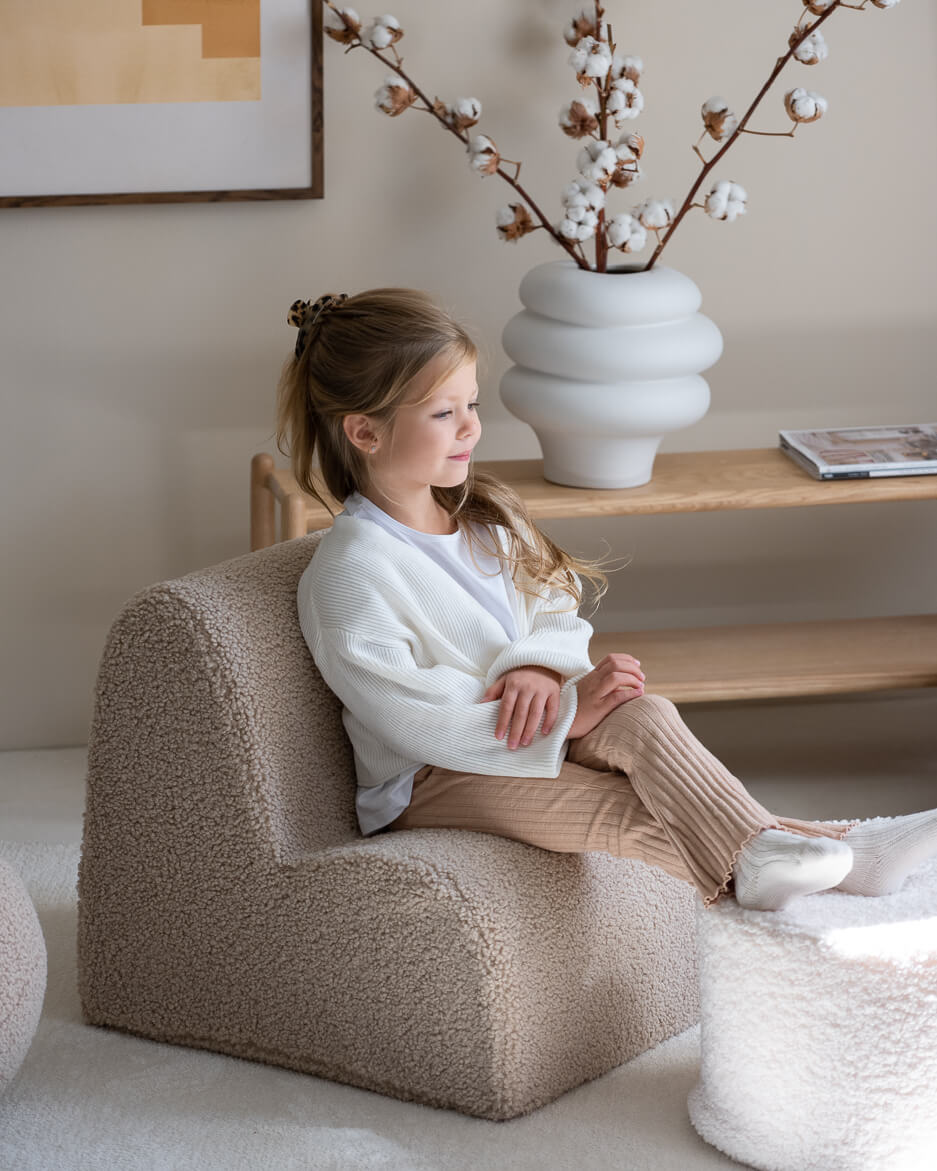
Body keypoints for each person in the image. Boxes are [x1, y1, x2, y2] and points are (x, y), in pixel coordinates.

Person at [277, 288, 937, 912]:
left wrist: (538, 666)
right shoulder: (352, 570)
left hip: (521, 728)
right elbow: (412, 718)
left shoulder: (484, 518)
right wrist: (566, 713)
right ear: (364, 433)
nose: (470, 427)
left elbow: (555, 604)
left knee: (645, 714)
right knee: (614, 804)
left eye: (471, 404)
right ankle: (833, 855)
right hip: (429, 779)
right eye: (443, 413)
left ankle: (799, 856)